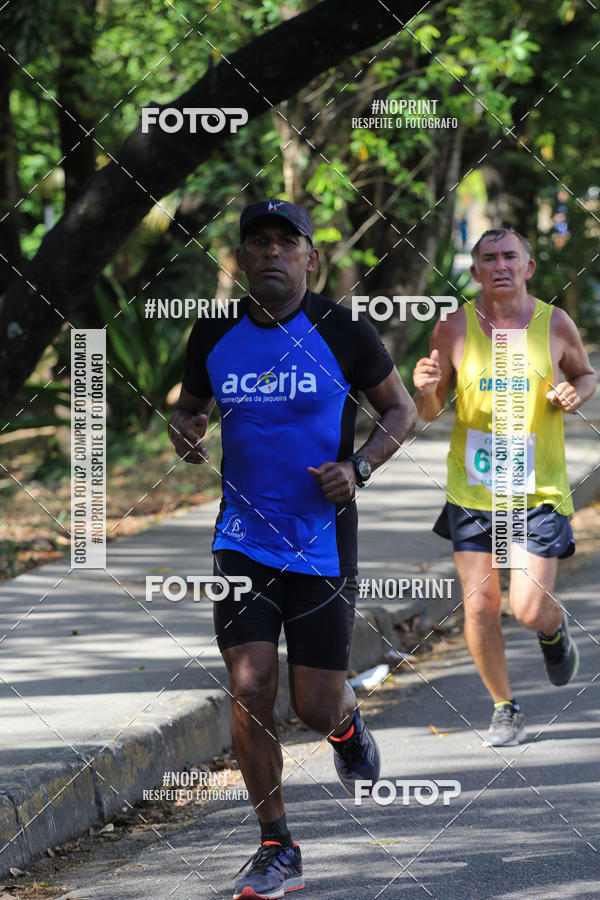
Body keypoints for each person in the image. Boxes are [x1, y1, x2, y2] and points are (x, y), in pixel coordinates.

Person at [168, 199, 417, 898]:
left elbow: (404, 408)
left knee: (314, 703)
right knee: (249, 688)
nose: (272, 253)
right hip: (241, 543)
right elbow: (191, 407)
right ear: (242, 259)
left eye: (287, 242)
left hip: (321, 544)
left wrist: (361, 465)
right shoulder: (214, 332)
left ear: (311, 257)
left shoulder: (342, 331)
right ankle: (276, 844)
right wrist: (185, 430)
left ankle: (344, 727)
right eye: (259, 243)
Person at [413, 227, 597, 748]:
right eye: (488, 258)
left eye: (509, 256)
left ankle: (553, 630)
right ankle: (504, 707)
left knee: (529, 607)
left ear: (528, 267)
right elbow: (430, 413)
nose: (499, 265)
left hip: (536, 490)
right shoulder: (453, 327)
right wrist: (425, 389)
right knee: (479, 606)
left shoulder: (554, 322)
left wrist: (575, 391)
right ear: (474, 272)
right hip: (473, 492)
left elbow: (586, 375)